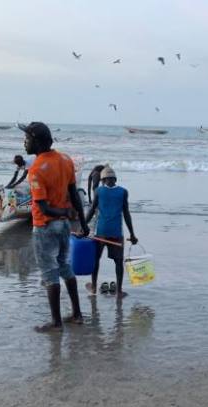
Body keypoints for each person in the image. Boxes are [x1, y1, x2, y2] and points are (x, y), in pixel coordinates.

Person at [24, 121, 89, 332]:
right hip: (63, 227)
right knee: (65, 267)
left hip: (45, 226)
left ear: (37, 141)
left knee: (49, 272)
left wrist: (63, 212)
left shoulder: (35, 170)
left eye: (27, 138)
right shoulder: (65, 159)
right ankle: (77, 314)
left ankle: (56, 322)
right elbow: (74, 195)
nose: (24, 142)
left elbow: (42, 208)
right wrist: (82, 220)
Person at [84, 165, 138, 298]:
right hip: (116, 233)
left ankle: (94, 286)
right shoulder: (123, 192)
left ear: (103, 180)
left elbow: (91, 210)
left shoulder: (98, 191)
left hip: (101, 231)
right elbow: (126, 214)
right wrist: (132, 234)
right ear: (115, 179)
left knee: (95, 260)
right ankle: (119, 291)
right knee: (118, 262)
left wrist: (83, 226)